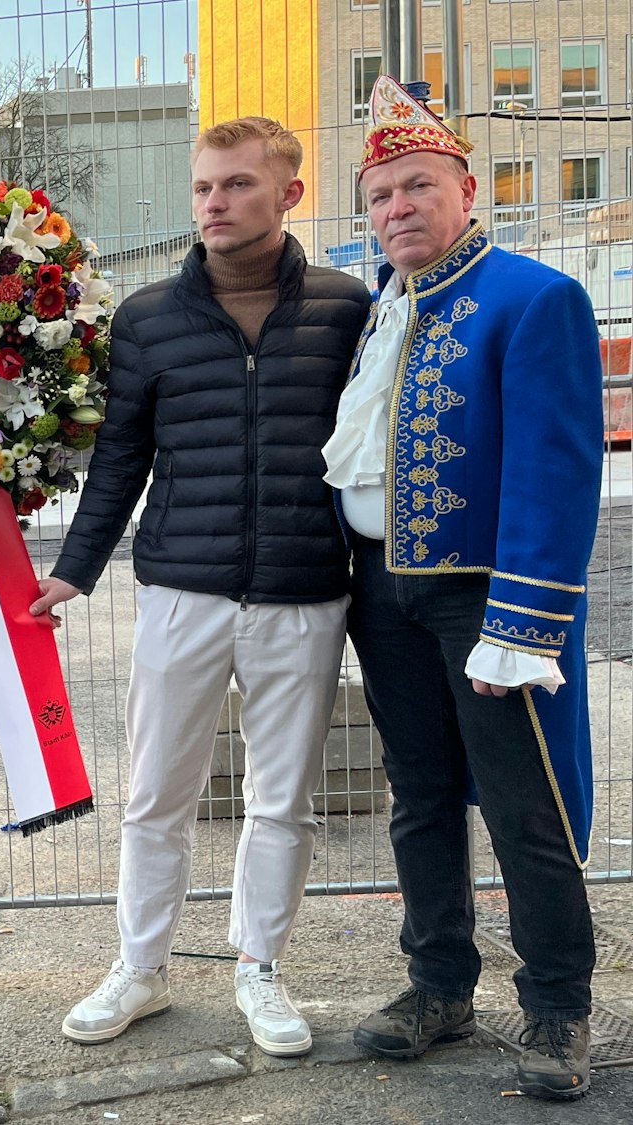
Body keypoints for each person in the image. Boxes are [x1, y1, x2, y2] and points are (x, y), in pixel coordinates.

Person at [29, 117, 371, 1056]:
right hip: (182, 589)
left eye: (237, 186)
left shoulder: (348, 308)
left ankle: (259, 969)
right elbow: (121, 455)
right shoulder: (148, 319)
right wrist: (74, 569)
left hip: (305, 591)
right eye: (203, 188)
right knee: (157, 794)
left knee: (282, 800)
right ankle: (140, 968)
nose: (215, 204)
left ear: (288, 194)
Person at [329, 76, 604, 1101]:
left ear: (466, 190)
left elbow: (553, 469)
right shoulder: (377, 309)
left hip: (484, 601)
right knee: (420, 798)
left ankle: (556, 1007)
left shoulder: (531, 297)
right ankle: (438, 985)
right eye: (378, 196)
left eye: (414, 188)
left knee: (523, 808)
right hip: (380, 591)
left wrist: (520, 624)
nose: (395, 209)